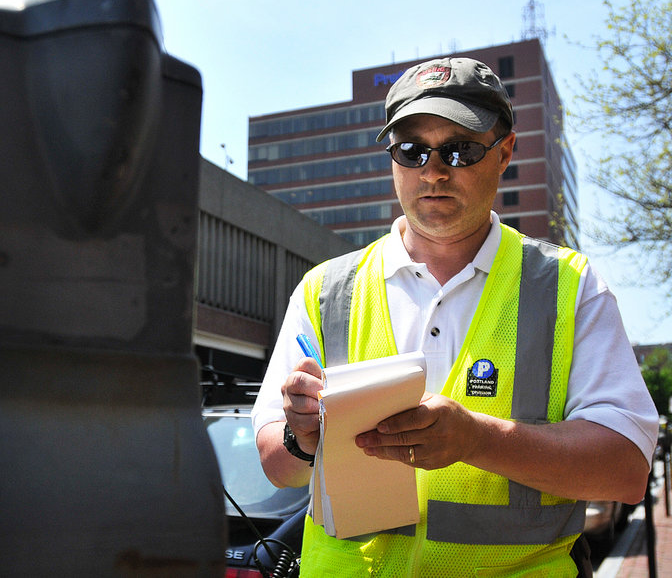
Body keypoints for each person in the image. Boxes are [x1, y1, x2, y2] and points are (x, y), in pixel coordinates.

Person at [251, 56, 658, 577]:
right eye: (412, 150)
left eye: (461, 150)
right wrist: (301, 438)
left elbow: (625, 469)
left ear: (505, 151)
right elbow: (276, 466)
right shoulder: (325, 290)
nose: (434, 171)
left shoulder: (571, 288)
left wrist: (477, 439)